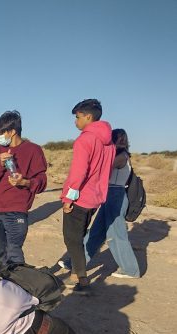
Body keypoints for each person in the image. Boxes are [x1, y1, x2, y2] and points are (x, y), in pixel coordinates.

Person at [60, 129, 140, 279]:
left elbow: (103, 168)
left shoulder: (121, 156)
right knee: (96, 233)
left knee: (116, 234)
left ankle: (130, 269)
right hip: (108, 195)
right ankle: (76, 264)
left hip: (116, 196)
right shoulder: (117, 154)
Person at [60, 99, 115, 294]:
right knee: (79, 235)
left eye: (77, 117)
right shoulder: (109, 142)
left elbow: (78, 173)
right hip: (95, 198)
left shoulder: (85, 140)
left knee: (72, 238)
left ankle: (81, 280)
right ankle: (76, 272)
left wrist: (68, 199)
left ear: (88, 117)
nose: (76, 122)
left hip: (80, 198)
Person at [0, 111, 47, 265]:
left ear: (12, 131)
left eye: (1, 133)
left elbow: (42, 181)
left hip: (16, 210)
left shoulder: (33, 150)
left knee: (14, 253)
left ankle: (17, 286)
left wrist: (25, 182)